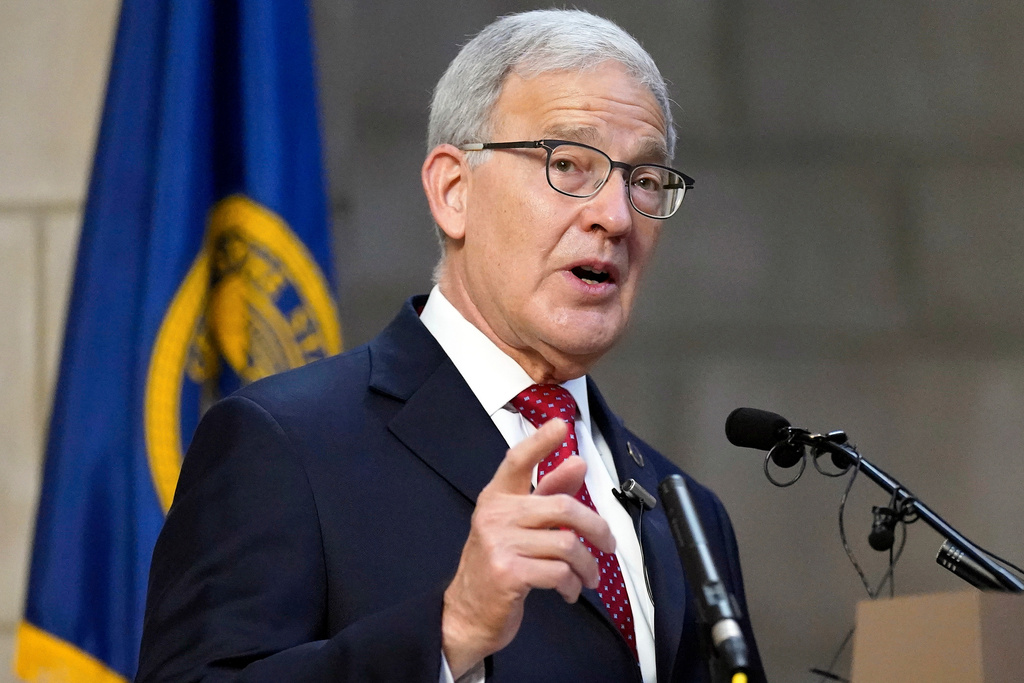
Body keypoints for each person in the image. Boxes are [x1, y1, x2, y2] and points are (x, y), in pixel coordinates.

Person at [136, 9, 766, 683]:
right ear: (452, 189)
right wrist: (450, 630)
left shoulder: (691, 515)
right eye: (569, 164)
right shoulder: (284, 445)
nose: (614, 216)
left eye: (643, 180)